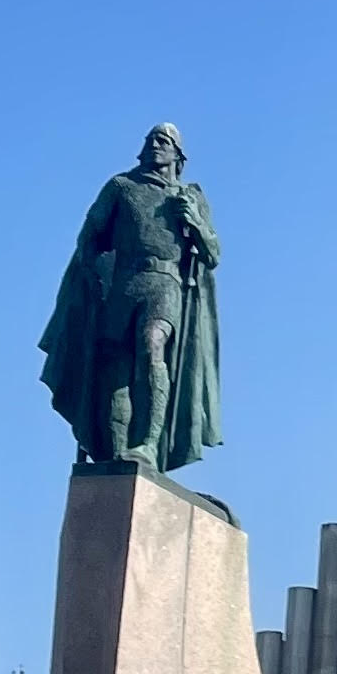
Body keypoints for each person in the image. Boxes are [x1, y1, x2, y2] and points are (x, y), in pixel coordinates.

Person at [39, 123, 222, 474]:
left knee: (152, 344)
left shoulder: (189, 196)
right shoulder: (121, 187)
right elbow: (89, 237)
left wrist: (195, 222)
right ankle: (118, 450)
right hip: (123, 282)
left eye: (165, 140)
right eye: (152, 139)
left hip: (164, 281)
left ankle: (149, 444)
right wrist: (94, 276)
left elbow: (213, 254)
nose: (156, 144)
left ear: (177, 155)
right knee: (116, 368)